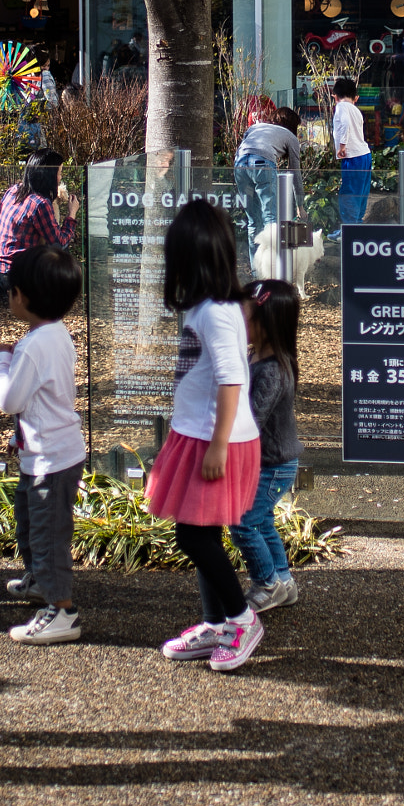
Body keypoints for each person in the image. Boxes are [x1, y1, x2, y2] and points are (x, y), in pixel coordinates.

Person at [144, 199, 266, 673]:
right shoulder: (212, 308)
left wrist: (217, 443)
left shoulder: (215, 312)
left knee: (194, 536)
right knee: (201, 533)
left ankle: (240, 619)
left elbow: (231, 377)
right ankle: (216, 621)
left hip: (215, 439)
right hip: (200, 434)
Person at [0, 243, 87, 646]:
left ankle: (61, 609)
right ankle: (38, 581)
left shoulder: (30, 348)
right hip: (48, 453)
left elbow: (9, 399)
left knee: (47, 534)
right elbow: (43, 400)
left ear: (23, 297)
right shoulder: (55, 335)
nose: (9, 296)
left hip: (50, 459)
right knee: (31, 521)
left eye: (11, 290)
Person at [231, 277, 302, 614]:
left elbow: (251, 420)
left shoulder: (272, 370)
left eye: (243, 318)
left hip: (273, 464)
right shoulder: (258, 358)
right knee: (263, 521)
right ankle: (284, 581)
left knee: (243, 521)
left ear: (265, 323)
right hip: (273, 462)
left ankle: (267, 582)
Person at [0, 150, 79, 290]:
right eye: (59, 173)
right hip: (19, 274)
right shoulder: (40, 203)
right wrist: (72, 213)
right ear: (49, 175)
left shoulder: (13, 190)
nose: (60, 178)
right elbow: (59, 243)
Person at [232, 103, 301, 237]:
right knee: (270, 219)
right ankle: (271, 258)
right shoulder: (290, 136)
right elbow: (295, 173)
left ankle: (256, 259)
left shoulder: (255, 127)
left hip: (239, 164)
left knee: (253, 221)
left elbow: (244, 148)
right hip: (262, 163)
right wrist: (300, 205)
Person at [330, 77, 371, 235]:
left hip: (352, 157)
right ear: (356, 97)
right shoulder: (356, 110)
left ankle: (348, 231)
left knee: (349, 193)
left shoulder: (341, 107)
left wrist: (342, 145)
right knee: (361, 192)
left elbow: (345, 124)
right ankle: (356, 226)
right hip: (364, 155)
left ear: (335, 96)